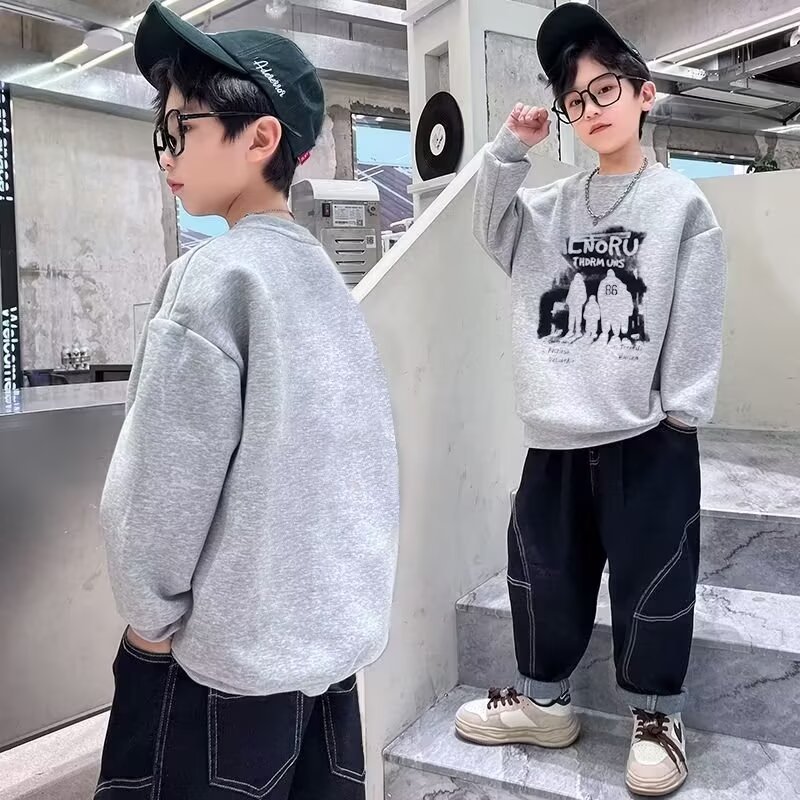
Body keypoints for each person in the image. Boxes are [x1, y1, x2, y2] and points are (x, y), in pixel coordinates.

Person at [96, 4, 399, 798]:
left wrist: (148, 622)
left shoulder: (214, 278)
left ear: (260, 138)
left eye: (181, 128)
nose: (167, 152)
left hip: (220, 680)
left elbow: (158, 492)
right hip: (329, 673)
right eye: (162, 133)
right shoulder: (331, 288)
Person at [455, 3, 726, 796]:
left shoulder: (682, 205)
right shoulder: (549, 209)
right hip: (556, 435)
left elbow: (697, 317)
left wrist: (681, 415)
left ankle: (656, 716)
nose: (591, 108)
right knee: (544, 576)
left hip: (647, 438)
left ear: (644, 94)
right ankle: (544, 703)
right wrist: (512, 147)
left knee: (655, 579)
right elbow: (489, 225)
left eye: (605, 89)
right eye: (576, 99)